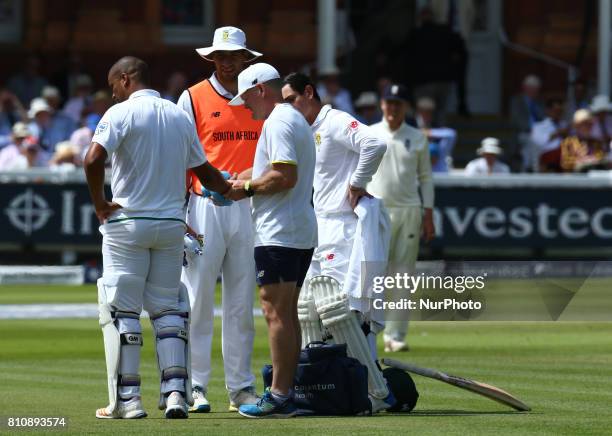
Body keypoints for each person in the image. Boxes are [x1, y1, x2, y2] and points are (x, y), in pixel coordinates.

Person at [84, 56, 234, 420]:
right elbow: (204, 171)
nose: (113, 93)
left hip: (127, 224)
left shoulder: (119, 114)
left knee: (124, 312)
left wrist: (101, 204)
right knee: (168, 311)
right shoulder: (179, 115)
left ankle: (129, 401)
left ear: (124, 79)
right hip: (170, 225)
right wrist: (230, 188)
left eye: (113, 86)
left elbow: (91, 160)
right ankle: (175, 395)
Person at [282, 72, 396, 413]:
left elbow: (374, 143)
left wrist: (359, 182)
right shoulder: (305, 131)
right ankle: (325, 387)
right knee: (309, 312)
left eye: (291, 100)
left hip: (342, 228)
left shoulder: (334, 121)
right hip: (317, 227)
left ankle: (375, 392)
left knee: (344, 312)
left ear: (309, 92)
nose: (288, 108)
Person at [175, 26, 263, 413]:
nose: (228, 62)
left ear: (247, 58)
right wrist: (179, 214)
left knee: (243, 302)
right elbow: (179, 158)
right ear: (212, 58)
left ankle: (241, 388)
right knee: (196, 300)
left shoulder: (260, 96)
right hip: (204, 205)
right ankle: (194, 386)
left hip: (251, 205)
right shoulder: (191, 97)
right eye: (221, 56)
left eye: (235, 55)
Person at [226, 63, 317, 418]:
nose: (245, 106)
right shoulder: (291, 119)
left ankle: (280, 395)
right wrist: (240, 178)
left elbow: (284, 176)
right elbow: (274, 169)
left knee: (275, 312)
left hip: (280, 231)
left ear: (261, 89)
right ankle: (286, 392)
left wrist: (244, 188)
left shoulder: (278, 121)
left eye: (246, 97)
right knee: (286, 314)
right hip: (294, 229)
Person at [367, 83, 435, 353]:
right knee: (373, 273)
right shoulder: (369, 134)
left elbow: (426, 178)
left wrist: (428, 213)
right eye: (389, 103)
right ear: (382, 104)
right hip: (376, 210)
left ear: (405, 107)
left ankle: (395, 335)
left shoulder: (417, 137)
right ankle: (369, 330)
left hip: (408, 210)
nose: (392, 108)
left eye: (398, 103)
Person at [509, 74, 545, 170]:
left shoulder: (539, 102)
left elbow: (543, 118)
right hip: (522, 132)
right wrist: (532, 130)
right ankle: (530, 168)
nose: (535, 91)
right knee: (532, 143)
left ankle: (534, 168)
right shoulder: (517, 101)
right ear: (525, 88)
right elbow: (517, 120)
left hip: (539, 133)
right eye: (532, 88)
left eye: (536, 89)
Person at [413, 96, 457, 172]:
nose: (427, 115)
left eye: (430, 112)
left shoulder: (435, 126)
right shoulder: (411, 125)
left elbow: (451, 134)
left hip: (435, 166)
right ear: (419, 112)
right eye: (425, 112)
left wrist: (429, 133)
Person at [530, 98, 569, 172]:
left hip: (565, 162)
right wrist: (558, 133)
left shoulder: (565, 126)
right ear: (548, 111)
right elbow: (540, 143)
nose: (558, 114)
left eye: (560, 111)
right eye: (555, 111)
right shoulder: (538, 127)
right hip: (547, 162)